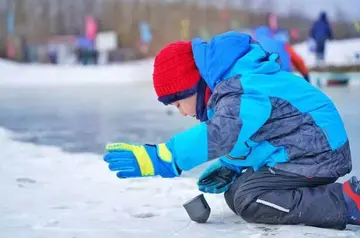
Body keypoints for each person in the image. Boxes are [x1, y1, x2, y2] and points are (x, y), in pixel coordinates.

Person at [103, 31, 358, 230]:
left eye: (178, 103)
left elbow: (220, 134)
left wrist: (163, 157)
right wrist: (231, 166)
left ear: (193, 86)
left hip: (320, 153)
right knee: (235, 192)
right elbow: (253, 134)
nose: (181, 112)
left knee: (249, 199)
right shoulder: (233, 86)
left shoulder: (241, 87)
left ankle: (347, 202)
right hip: (298, 150)